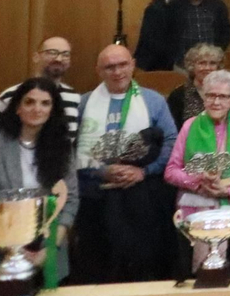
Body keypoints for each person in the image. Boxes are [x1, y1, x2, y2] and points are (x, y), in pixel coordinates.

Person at [73, 44, 178, 283]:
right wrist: (101, 171)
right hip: (95, 195)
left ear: (132, 65)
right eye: (109, 67)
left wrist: (143, 171)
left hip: (142, 195)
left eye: (122, 65)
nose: (117, 72)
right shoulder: (83, 104)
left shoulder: (154, 101)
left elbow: (171, 141)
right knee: (98, 267)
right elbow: (71, 149)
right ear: (98, 71)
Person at [0, 78, 80, 288]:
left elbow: (70, 199)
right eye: (29, 102)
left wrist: (51, 246)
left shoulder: (63, 148)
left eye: (45, 103)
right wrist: (8, 247)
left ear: (53, 110)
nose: (37, 109)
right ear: (17, 108)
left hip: (47, 239)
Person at [164, 70, 230, 272]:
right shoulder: (189, 126)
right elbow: (171, 171)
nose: (216, 102)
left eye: (223, 97)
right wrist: (197, 181)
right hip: (194, 215)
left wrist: (228, 190)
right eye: (210, 95)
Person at [0, 36, 81, 152]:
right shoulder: (8, 97)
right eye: (52, 53)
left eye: (65, 54)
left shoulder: (74, 98)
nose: (59, 58)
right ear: (36, 57)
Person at [156, 0, 230, 70]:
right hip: (182, 63)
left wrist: (218, 51)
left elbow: (226, 30)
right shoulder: (174, 6)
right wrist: (174, 56)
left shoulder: (217, 4)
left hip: (211, 62)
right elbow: (166, 33)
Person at [168, 43, 226, 125]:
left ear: (218, 67)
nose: (207, 68)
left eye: (212, 63)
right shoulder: (178, 95)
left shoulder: (226, 93)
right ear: (192, 66)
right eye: (202, 63)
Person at [132, 0, 176, 70]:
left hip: (160, 57)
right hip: (154, 60)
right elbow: (152, 38)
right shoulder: (155, 10)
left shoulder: (165, 8)